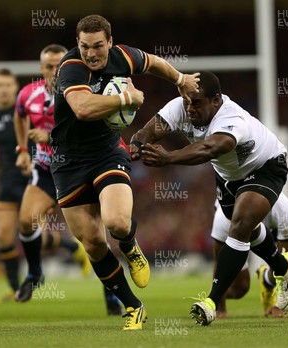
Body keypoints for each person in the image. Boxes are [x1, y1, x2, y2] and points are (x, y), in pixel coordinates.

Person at [50, 14, 199, 330]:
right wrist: (125, 99)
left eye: (98, 46)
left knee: (116, 222)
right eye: (85, 46)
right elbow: (82, 108)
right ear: (78, 45)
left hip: (106, 152)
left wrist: (180, 79)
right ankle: (134, 306)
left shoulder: (123, 56)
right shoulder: (71, 67)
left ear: (110, 43)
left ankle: (130, 247)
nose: (92, 53)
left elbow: (153, 62)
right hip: (68, 161)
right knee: (92, 242)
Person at [130, 71, 288, 326]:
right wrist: (135, 144)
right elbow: (150, 130)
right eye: (186, 102)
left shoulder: (231, 117)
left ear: (216, 101)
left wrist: (169, 158)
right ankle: (283, 268)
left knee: (240, 225)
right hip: (228, 176)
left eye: (196, 103)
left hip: (265, 168)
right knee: (247, 228)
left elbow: (210, 148)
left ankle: (210, 303)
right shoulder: (181, 106)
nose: (189, 108)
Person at [13, 44, 122, 315]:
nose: (53, 71)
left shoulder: (80, 93)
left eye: (58, 65)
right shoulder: (28, 95)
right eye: (48, 66)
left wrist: (48, 137)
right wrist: (23, 150)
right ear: (41, 69)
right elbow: (19, 115)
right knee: (26, 221)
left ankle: (112, 293)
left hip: (80, 168)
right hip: (47, 170)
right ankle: (36, 273)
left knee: (95, 235)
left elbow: (84, 128)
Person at [0, 68, 91, 304]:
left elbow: (52, 131)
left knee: (32, 231)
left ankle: (69, 249)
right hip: (9, 178)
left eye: (8, 85)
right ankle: (15, 287)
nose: (4, 90)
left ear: (15, 87)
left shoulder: (29, 107)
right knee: (2, 235)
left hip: (39, 172)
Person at [211, 194, 288, 318]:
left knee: (283, 266)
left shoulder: (285, 211)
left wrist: (278, 305)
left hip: (263, 230)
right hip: (237, 233)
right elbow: (219, 261)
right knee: (240, 288)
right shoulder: (225, 217)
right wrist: (220, 308)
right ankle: (214, 297)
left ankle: (267, 279)